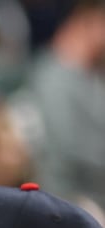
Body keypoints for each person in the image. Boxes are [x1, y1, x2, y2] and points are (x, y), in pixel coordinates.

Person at [10, 0, 105, 212]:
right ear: (91, 21)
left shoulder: (94, 74)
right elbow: (61, 158)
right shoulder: (53, 77)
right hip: (72, 205)